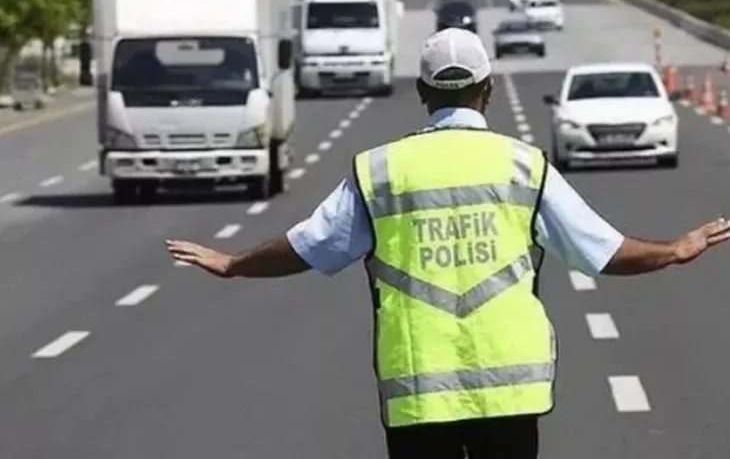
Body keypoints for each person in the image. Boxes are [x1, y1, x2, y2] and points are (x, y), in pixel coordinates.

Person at [166, 28, 730, 459]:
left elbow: (311, 246)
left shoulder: (380, 170)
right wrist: (675, 250)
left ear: (422, 92)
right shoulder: (523, 165)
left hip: (419, 393)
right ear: (487, 91)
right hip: (512, 391)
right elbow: (601, 251)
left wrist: (233, 263)